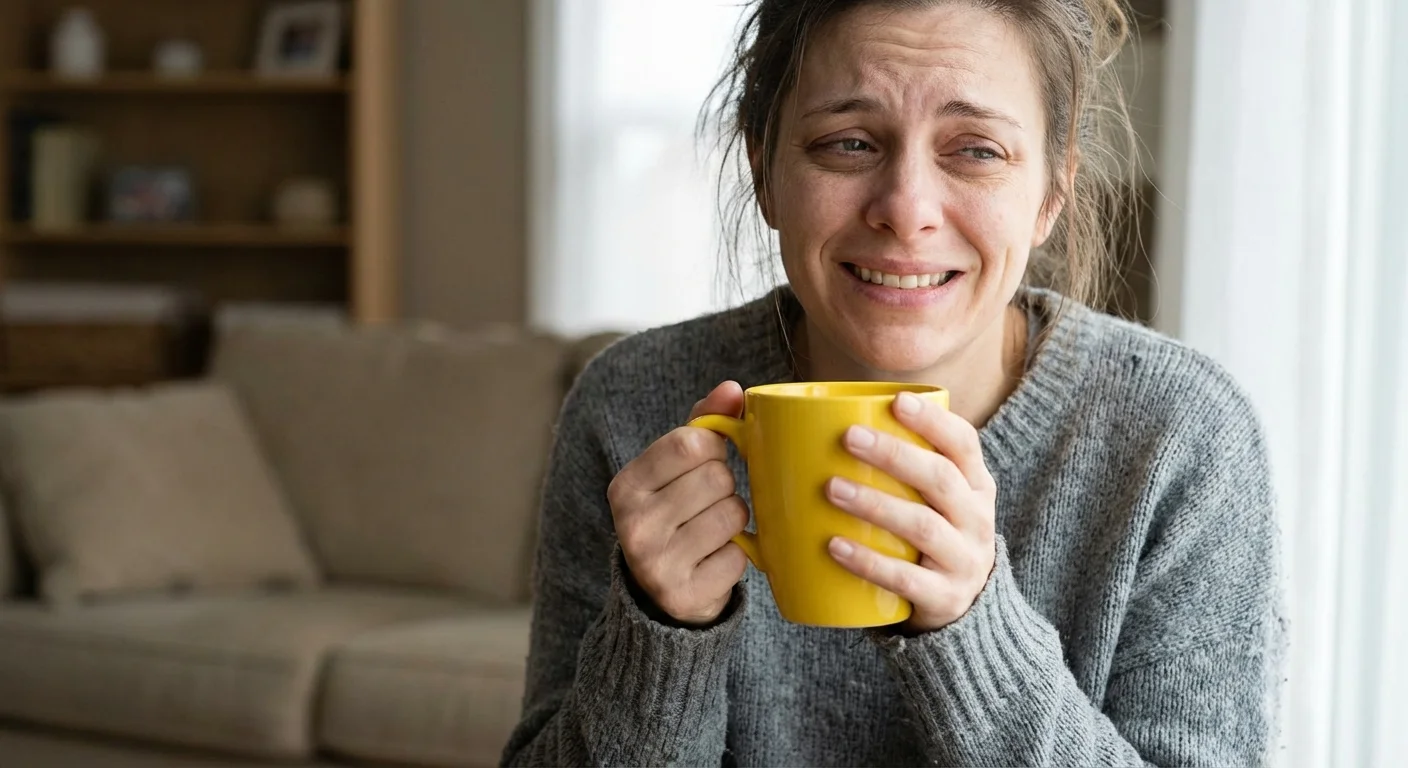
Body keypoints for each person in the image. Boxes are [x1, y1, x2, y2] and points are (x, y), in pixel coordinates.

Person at [502, 0, 1287, 765]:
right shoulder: (634, 406)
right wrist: (658, 638)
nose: (906, 210)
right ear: (763, 168)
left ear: (1051, 193)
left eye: (976, 149)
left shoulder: (1182, 438)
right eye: (847, 143)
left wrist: (974, 637)